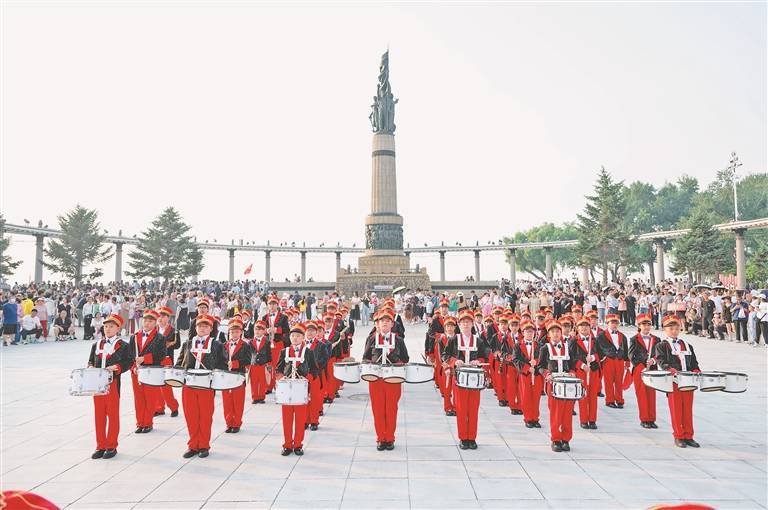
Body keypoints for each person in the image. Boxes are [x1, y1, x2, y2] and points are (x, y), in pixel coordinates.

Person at [176, 313, 226, 458]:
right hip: (189, 385)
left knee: (204, 416)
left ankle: (204, 445)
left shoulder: (216, 344)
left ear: (211, 329)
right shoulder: (188, 343)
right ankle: (193, 445)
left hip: (206, 386)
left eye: (206, 326)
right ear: (195, 327)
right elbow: (180, 362)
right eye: (199, 325)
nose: (202, 328)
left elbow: (222, 364)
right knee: (191, 416)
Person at [87, 313, 133, 459]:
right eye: (106, 326)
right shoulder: (96, 344)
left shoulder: (123, 345)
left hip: (112, 383)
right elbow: (91, 361)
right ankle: (100, 445)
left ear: (118, 328)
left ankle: (111, 445)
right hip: (97, 383)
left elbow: (129, 362)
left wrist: (118, 367)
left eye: (111, 326)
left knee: (112, 415)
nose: (107, 329)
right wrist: (89, 366)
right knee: (99, 415)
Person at [363, 308, 409, 450]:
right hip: (376, 380)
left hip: (393, 380)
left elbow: (405, 359)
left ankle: (390, 438)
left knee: (391, 409)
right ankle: (380, 438)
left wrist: (396, 363)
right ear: (378, 323)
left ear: (392, 324)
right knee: (377, 409)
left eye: (388, 321)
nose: (385, 323)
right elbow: (365, 358)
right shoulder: (371, 339)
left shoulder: (399, 340)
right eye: (382, 320)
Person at [653, 315, 701, 448]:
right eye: (671, 328)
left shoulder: (687, 345)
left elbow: (694, 362)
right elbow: (662, 362)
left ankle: (689, 435)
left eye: (676, 328)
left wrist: (696, 370)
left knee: (688, 410)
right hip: (673, 381)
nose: (674, 331)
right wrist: (671, 369)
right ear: (665, 330)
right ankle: (679, 436)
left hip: (688, 381)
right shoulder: (661, 345)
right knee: (676, 409)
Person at [442, 310, 487, 450]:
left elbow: (485, 356)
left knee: (473, 409)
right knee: (461, 409)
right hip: (459, 379)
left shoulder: (478, 340)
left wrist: (478, 361)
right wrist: (455, 361)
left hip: (474, 379)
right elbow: (445, 355)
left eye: (468, 322)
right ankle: (463, 438)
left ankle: (472, 438)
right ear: (459, 324)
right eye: (463, 322)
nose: (465, 324)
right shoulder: (453, 340)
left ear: (472, 323)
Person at [276, 323, 319, 456]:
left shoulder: (308, 352)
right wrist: (280, 378)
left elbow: (315, 370)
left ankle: (298, 444)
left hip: (301, 389)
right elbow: (278, 368)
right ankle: (287, 444)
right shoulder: (284, 351)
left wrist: (308, 379)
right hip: (287, 389)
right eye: (293, 336)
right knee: (287, 419)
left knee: (300, 419)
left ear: (303, 338)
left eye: (298, 336)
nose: (295, 338)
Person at [539, 320, 576, 452]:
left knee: (567, 413)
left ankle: (566, 439)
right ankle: (555, 439)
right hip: (553, 384)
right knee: (555, 413)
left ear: (561, 333)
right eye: (553, 331)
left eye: (558, 331)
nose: (555, 334)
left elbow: (572, 365)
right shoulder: (545, 348)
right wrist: (547, 374)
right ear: (549, 334)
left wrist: (572, 373)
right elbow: (540, 367)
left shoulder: (568, 347)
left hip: (567, 384)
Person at [128, 309, 166, 434]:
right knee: (138, 398)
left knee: (149, 398)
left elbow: (161, 355)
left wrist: (145, 358)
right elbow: (130, 355)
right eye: (145, 320)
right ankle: (140, 423)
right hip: (136, 372)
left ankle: (148, 423)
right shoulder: (134, 337)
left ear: (155, 323)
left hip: (151, 372)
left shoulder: (160, 338)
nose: (147, 323)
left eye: (150, 321)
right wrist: (133, 367)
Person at [629, 313, 659, 429]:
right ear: (639, 325)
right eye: (644, 325)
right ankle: (644, 419)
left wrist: (653, 360)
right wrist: (641, 366)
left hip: (652, 370)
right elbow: (631, 356)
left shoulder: (656, 339)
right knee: (642, 395)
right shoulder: (634, 339)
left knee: (651, 395)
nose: (646, 327)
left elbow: (659, 354)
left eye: (648, 325)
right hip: (640, 370)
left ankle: (652, 419)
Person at [221, 318, 251, 433]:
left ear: (241, 332)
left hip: (238, 376)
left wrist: (234, 363)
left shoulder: (245, 346)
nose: (234, 334)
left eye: (237, 332)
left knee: (237, 401)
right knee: (227, 401)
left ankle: (237, 423)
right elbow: (220, 360)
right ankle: (229, 423)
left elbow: (247, 360)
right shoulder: (224, 345)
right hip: (226, 377)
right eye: (232, 332)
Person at [570, 316, 600, 429]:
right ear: (577, 328)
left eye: (586, 326)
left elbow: (600, 354)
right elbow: (571, 357)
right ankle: (583, 420)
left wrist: (593, 357)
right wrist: (582, 365)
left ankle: (592, 420)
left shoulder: (595, 340)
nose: (584, 328)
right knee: (583, 396)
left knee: (593, 396)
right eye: (581, 326)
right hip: (581, 372)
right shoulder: (573, 341)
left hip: (593, 371)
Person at [513, 319, 543, 428]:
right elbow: (515, 360)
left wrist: (537, 361)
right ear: (523, 332)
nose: (529, 333)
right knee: (526, 397)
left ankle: (535, 418)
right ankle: (528, 418)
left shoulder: (539, 345)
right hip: (525, 375)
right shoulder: (518, 345)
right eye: (527, 331)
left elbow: (543, 359)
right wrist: (526, 368)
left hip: (536, 375)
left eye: (531, 331)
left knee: (536, 397)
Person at [597, 314, 629, 408]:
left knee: (619, 381)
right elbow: (600, 348)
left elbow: (625, 349)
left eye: (616, 323)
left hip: (619, 360)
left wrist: (627, 361)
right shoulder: (602, 335)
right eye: (612, 322)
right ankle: (610, 400)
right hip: (608, 360)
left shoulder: (622, 336)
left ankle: (619, 400)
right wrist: (604, 357)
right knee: (609, 381)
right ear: (607, 323)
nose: (614, 325)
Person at [155, 306, 180, 417]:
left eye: (163, 316)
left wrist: (168, 343)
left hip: (166, 359)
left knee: (166, 386)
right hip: (154, 360)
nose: (161, 318)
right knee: (156, 385)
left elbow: (177, 344)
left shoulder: (173, 331)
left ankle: (173, 407)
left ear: (168, 318)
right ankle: (159, 408)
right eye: (159, 316)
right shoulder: (154, 329)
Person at [263, 295, 290, 394]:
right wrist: (266, 330)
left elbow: (287, 331)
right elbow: (260, 330)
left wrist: (277, 330)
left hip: (278, 344)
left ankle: (278, 385)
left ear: (277, 305)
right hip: (268, 344)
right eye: (270, 304)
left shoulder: (283, 317)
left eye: (274, 304)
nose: (272, 306)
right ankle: (269, 386)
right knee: (269, 365)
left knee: (279, 365)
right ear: (268, 305)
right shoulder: (264, 317)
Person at [304, 321, 327, 430]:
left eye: (313, 331)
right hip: (302, 376)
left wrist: (315, 368)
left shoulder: (321, 345)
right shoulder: (301, 344)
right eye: (308, 330)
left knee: (314, 399)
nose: (310, 333)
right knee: (303, 399)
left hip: (315, 376)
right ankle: (305, 420)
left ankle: (314, 421)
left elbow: (324, 360)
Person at [248, 320, 272, 404]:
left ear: (264, 331)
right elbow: (248, 354)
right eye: (256, 329)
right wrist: (248, 365)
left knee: (262, 381)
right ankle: (255, 397)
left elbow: (269, 353)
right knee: (254, 381)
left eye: (260, 329)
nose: (257, 331)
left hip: (263, 364)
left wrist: (269, 364)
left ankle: (261, 396)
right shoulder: (250, 342)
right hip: (253, 364)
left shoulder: (267, 341)